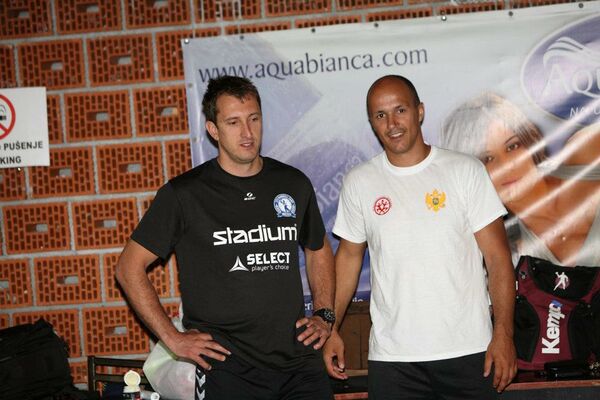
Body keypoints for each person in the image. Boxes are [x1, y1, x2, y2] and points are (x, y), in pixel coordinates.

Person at [116, 75, 336, 400]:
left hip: (298, 361)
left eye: (253, 119)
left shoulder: (293, 183)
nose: (247, 132)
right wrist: (173, 339)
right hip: (226, 367)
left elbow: (318, 249)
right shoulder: (184, 194)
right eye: (233, 122)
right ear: (213, 130)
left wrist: (324, 314)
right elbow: (128, 268)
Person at [323, 75, 518, 399]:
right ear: (372, 123)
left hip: (470, 352)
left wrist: (504, 335)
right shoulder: (360, 182)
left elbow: (498, 259)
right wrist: (330, 327)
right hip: (394, 361)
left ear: (420, 111)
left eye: (400, 110)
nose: (392, 123)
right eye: (380, 115)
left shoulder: (465, 171)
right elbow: (348, 259)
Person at [439, 93, 600, 267]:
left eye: (512, 146)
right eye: (487, 159)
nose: (507, 166)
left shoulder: (587, 152)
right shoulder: (505, 254)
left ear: (530, 141)